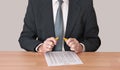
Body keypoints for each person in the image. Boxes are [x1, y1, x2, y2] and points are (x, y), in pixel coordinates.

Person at [19, 0, 101, 53]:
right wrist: (41, 47)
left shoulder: (85, 3)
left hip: (76, 63)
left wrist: (80, 47)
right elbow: (24, 38)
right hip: (43, 62)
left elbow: (94, 40)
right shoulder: (36, 3)